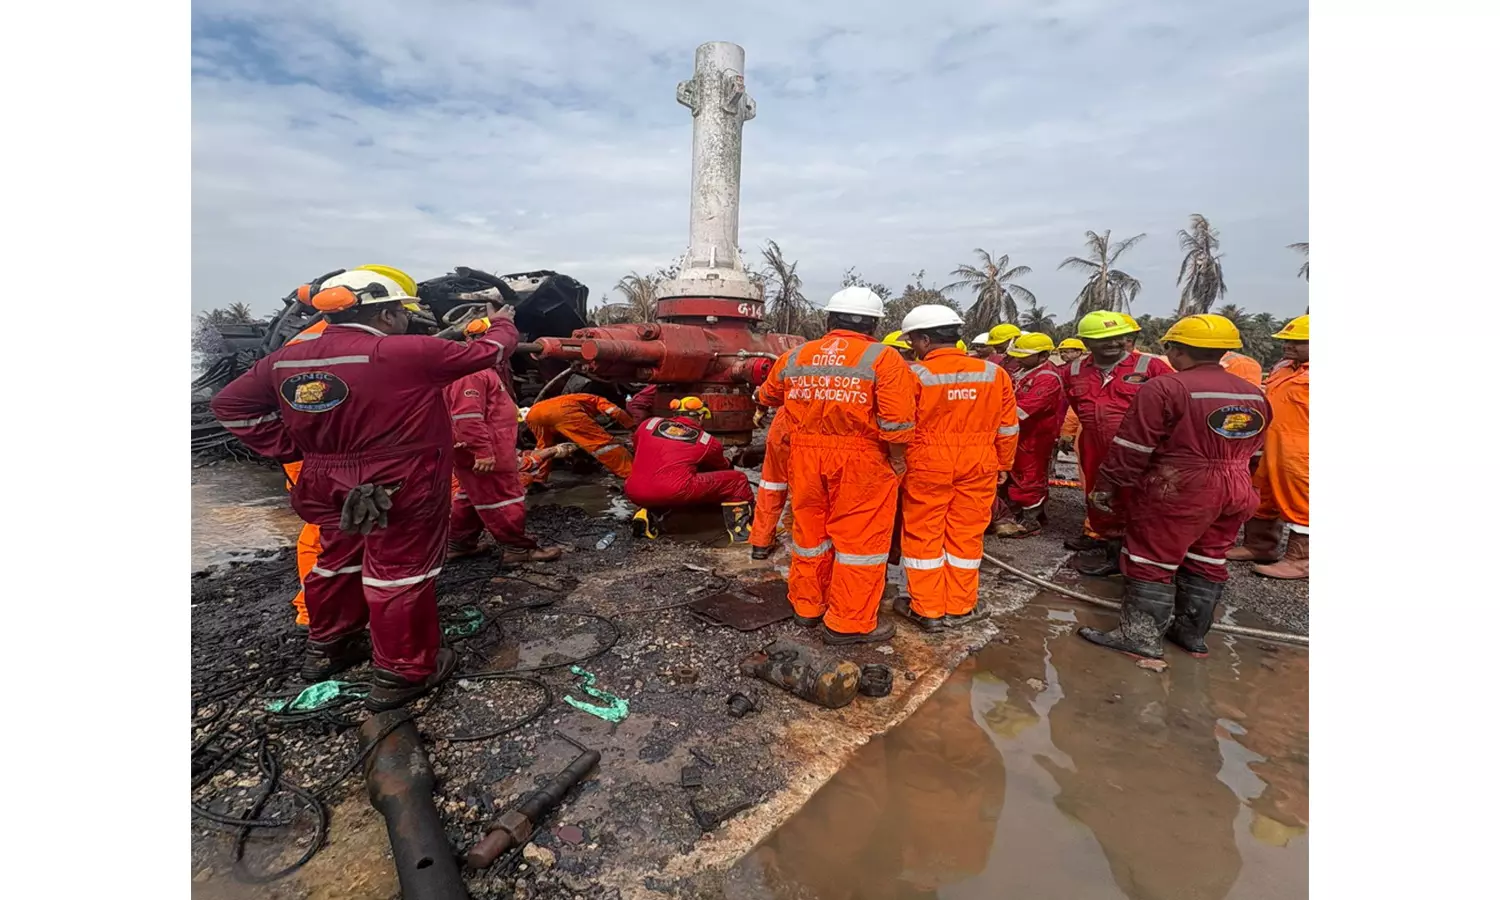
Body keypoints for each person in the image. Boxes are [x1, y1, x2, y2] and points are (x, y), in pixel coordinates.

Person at [211, 271, 521, 711]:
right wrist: (503, 321)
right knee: (400, 571)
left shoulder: (285, 359)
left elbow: (229, 405)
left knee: (336, 561)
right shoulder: (404, 352)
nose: (406, 322)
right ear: (387, 313)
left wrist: (293, 447)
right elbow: (488, 351)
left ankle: (331, 647)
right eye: (402, 314)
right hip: (399, 481)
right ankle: (402, 671)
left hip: (324, 480)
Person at [1076, 315, 1270, 659]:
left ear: (1177, 350)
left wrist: (1109, 485)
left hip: (1181, 486)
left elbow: (1133, 446)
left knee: (1150, 558)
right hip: (1237, 485)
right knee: (1209, 557)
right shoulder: (1254, 393)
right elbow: (1256, 449)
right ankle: (1190, 634)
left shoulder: (1165, 388)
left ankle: (1140, 637)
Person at [756, 286, 917, 645]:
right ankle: (849, 622)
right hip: (862, 458)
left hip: (805, 456)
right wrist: (896, 461)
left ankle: (807, 608)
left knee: (810, 534)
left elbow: (767, 395)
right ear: (874, 324)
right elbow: (898, 424)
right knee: (860, 543)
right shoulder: (884, 358)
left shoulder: (798, 355)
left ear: (829, 319)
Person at [891, 305, 1018, 631]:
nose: (911, 347)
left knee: (924, 535)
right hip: (979, 463)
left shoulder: (913, 375)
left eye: (913, 341)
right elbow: (1008, 427)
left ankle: (928, 609)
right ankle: (961, 606)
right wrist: (1003, 462)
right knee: (966, 535)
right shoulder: (994, 373)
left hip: (928, 464)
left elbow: (901, 426)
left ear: (924, 339)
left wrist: (897, 462)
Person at [1060, 310, 1175, 575]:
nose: (1113, 343)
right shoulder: (1074, 371)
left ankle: (1143, 563)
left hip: (1142, 450)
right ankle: (1114, 555)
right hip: (1095, 447)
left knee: (1141, 500)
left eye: (1118, 337)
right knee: (1101, 499)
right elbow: (1076, 405)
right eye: (1104, 339)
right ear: (1087, 342)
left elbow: (1174, 405)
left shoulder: (1150, 367)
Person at [445, 319, 564, 564]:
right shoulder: (473, 373)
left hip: (481, 448)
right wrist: (483, 452)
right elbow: (467, 416)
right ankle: (518, 550)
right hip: (487, 450)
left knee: (470, 497)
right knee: (505, 498)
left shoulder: (480, 370)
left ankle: (459, 543)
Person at [1226, 315, 1309, 578]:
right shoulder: (1283, 367)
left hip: (1302, 451)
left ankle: (1302, 560)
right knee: (1262, 495)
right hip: (1271, 444)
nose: (1288, 346)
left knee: (1303, 502)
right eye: (1287, 340)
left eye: (1298, 342)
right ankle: (1260, 546)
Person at [624, 396, 755, 541]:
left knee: (658, 477)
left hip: (634, 490)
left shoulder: (648, 424)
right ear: (700, 416)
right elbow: (724, 468)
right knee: (737, 480)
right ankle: (742, 531)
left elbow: (638, 448)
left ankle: (645, 514)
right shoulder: (706, 441)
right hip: (673, 490)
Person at [994, 332, 1065, 538]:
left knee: (1030, 477)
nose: (1018, 359)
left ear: (1043, 356)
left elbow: (1023, 410)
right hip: (1018, 435)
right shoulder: (1025, 371)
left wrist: (989, 413)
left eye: (1023, 355)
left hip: (1035, 437)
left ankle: (1031, 518)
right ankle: (1016, 511)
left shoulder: (1047, 379)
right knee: (1015, 473)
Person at [524, 393, 636, 481]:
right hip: (564, 411)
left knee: (544, 448)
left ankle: (538, 479)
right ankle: (630, 473)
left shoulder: (579, 397)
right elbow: (616, 412)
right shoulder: (598, 400)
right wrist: (633, 427)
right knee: (602, 444)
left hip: (534, 414)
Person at [748, 405, 794, 560]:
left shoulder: (791, 379)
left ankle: (761, 542)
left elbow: (768, 392)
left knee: (772, 485)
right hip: (812, 429)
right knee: (807, 490)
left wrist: (760, 409)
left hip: (782, 427)